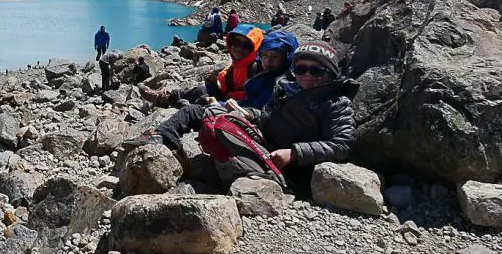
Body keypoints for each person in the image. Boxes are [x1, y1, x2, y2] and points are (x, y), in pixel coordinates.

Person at [136, 40, 358, 189]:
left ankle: (218, 176)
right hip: (262, 142)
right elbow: (267, 117)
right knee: (210, 111)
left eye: (316, 70)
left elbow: (343, 145)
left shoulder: (336, 103)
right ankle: (162, 137)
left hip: (285, 166)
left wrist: (294, 153)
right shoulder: (286, 90)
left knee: (217, 125)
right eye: (301, 69)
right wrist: (247, 114)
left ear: (331, 73)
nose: (307, 75)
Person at [145, 30, 297, 111]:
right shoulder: (236, 66)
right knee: (200, 90)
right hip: (229, 100)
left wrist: (219, 103)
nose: (238, 48)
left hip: (235, 106)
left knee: (200, 101)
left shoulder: (259, 70)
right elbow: (224, 87)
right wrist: (211, 84)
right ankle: (166, 97)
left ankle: (180, 104)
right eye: (235, 43)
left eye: (245, 46)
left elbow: (251, 103)